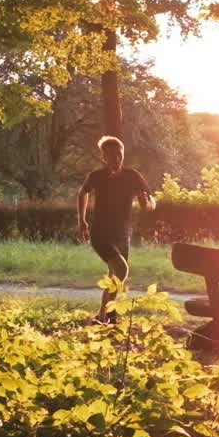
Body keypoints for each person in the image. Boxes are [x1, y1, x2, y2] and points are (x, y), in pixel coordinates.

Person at [77, 136, 155, 321]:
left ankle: (105, 316)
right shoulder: (97, 176)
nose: (116, 158)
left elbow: (150, 204)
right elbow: (82, 192)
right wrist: (82, 221)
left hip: (122, 234)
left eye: (118, 154)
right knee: (121, 270)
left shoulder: (132, 175)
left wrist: (146, 202)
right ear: (104, 157)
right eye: (110, 155)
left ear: (123, 153)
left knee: (115, 277)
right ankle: (106, 316)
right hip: (100, 234)